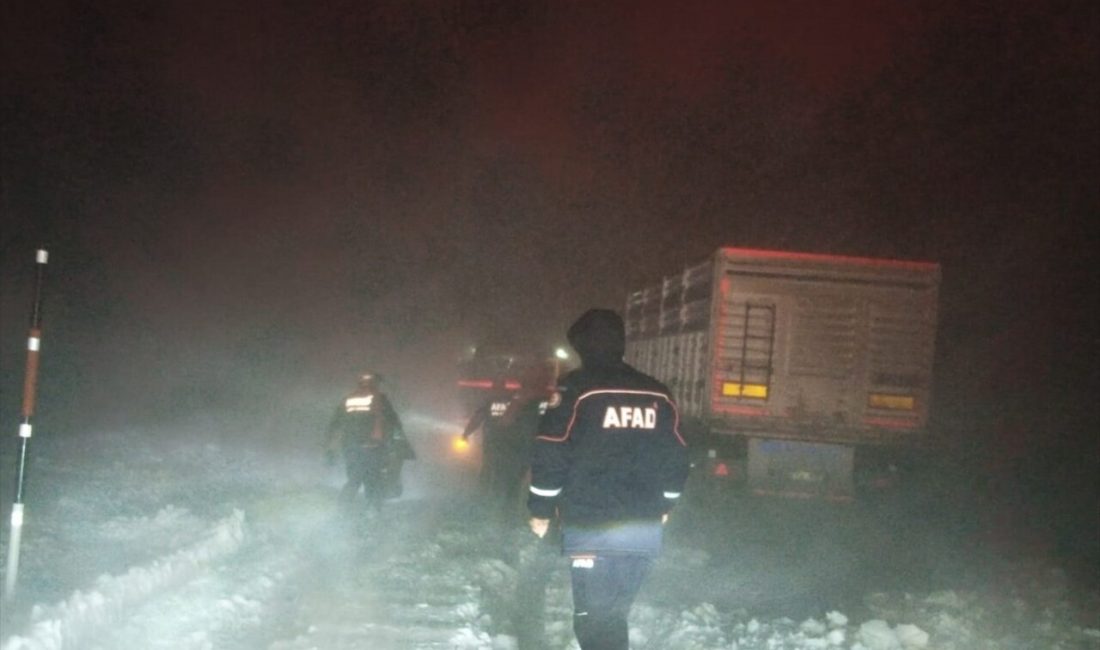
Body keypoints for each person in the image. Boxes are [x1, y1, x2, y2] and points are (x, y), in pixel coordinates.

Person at [527, 309, 690, 650]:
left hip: (591, 523)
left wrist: (540, 508)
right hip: (642, 525)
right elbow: (676, 455)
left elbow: (552, 450)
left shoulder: (576, 389)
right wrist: (667, 503)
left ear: (583, 347)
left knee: (591, 617)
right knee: (613, 615)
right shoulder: (658, 394)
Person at [324, 372, 412, 514]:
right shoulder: (379, 399)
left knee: (354, 478)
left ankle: (342, 510)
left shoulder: (347, 399)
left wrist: (330, 447)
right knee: (373, 478)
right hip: (373, 446)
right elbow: (393, 422)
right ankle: (373, 511)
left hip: (350, 446)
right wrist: (400, 441)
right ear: (375, 384)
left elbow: (335, 424)